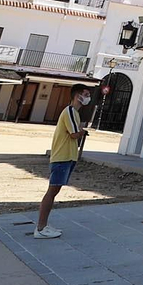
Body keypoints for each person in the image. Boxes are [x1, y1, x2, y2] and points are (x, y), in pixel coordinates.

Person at [33, 83, 92, 239]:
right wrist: (82, 132)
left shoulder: (74, 113)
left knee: (54, 191)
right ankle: (40, 227)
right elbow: (74, 134)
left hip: (67, 156)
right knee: (52, 192)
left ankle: (43, 225)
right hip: (62, 157)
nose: (88, 98)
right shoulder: (71, 111)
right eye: (85, 94)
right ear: (77, 96)